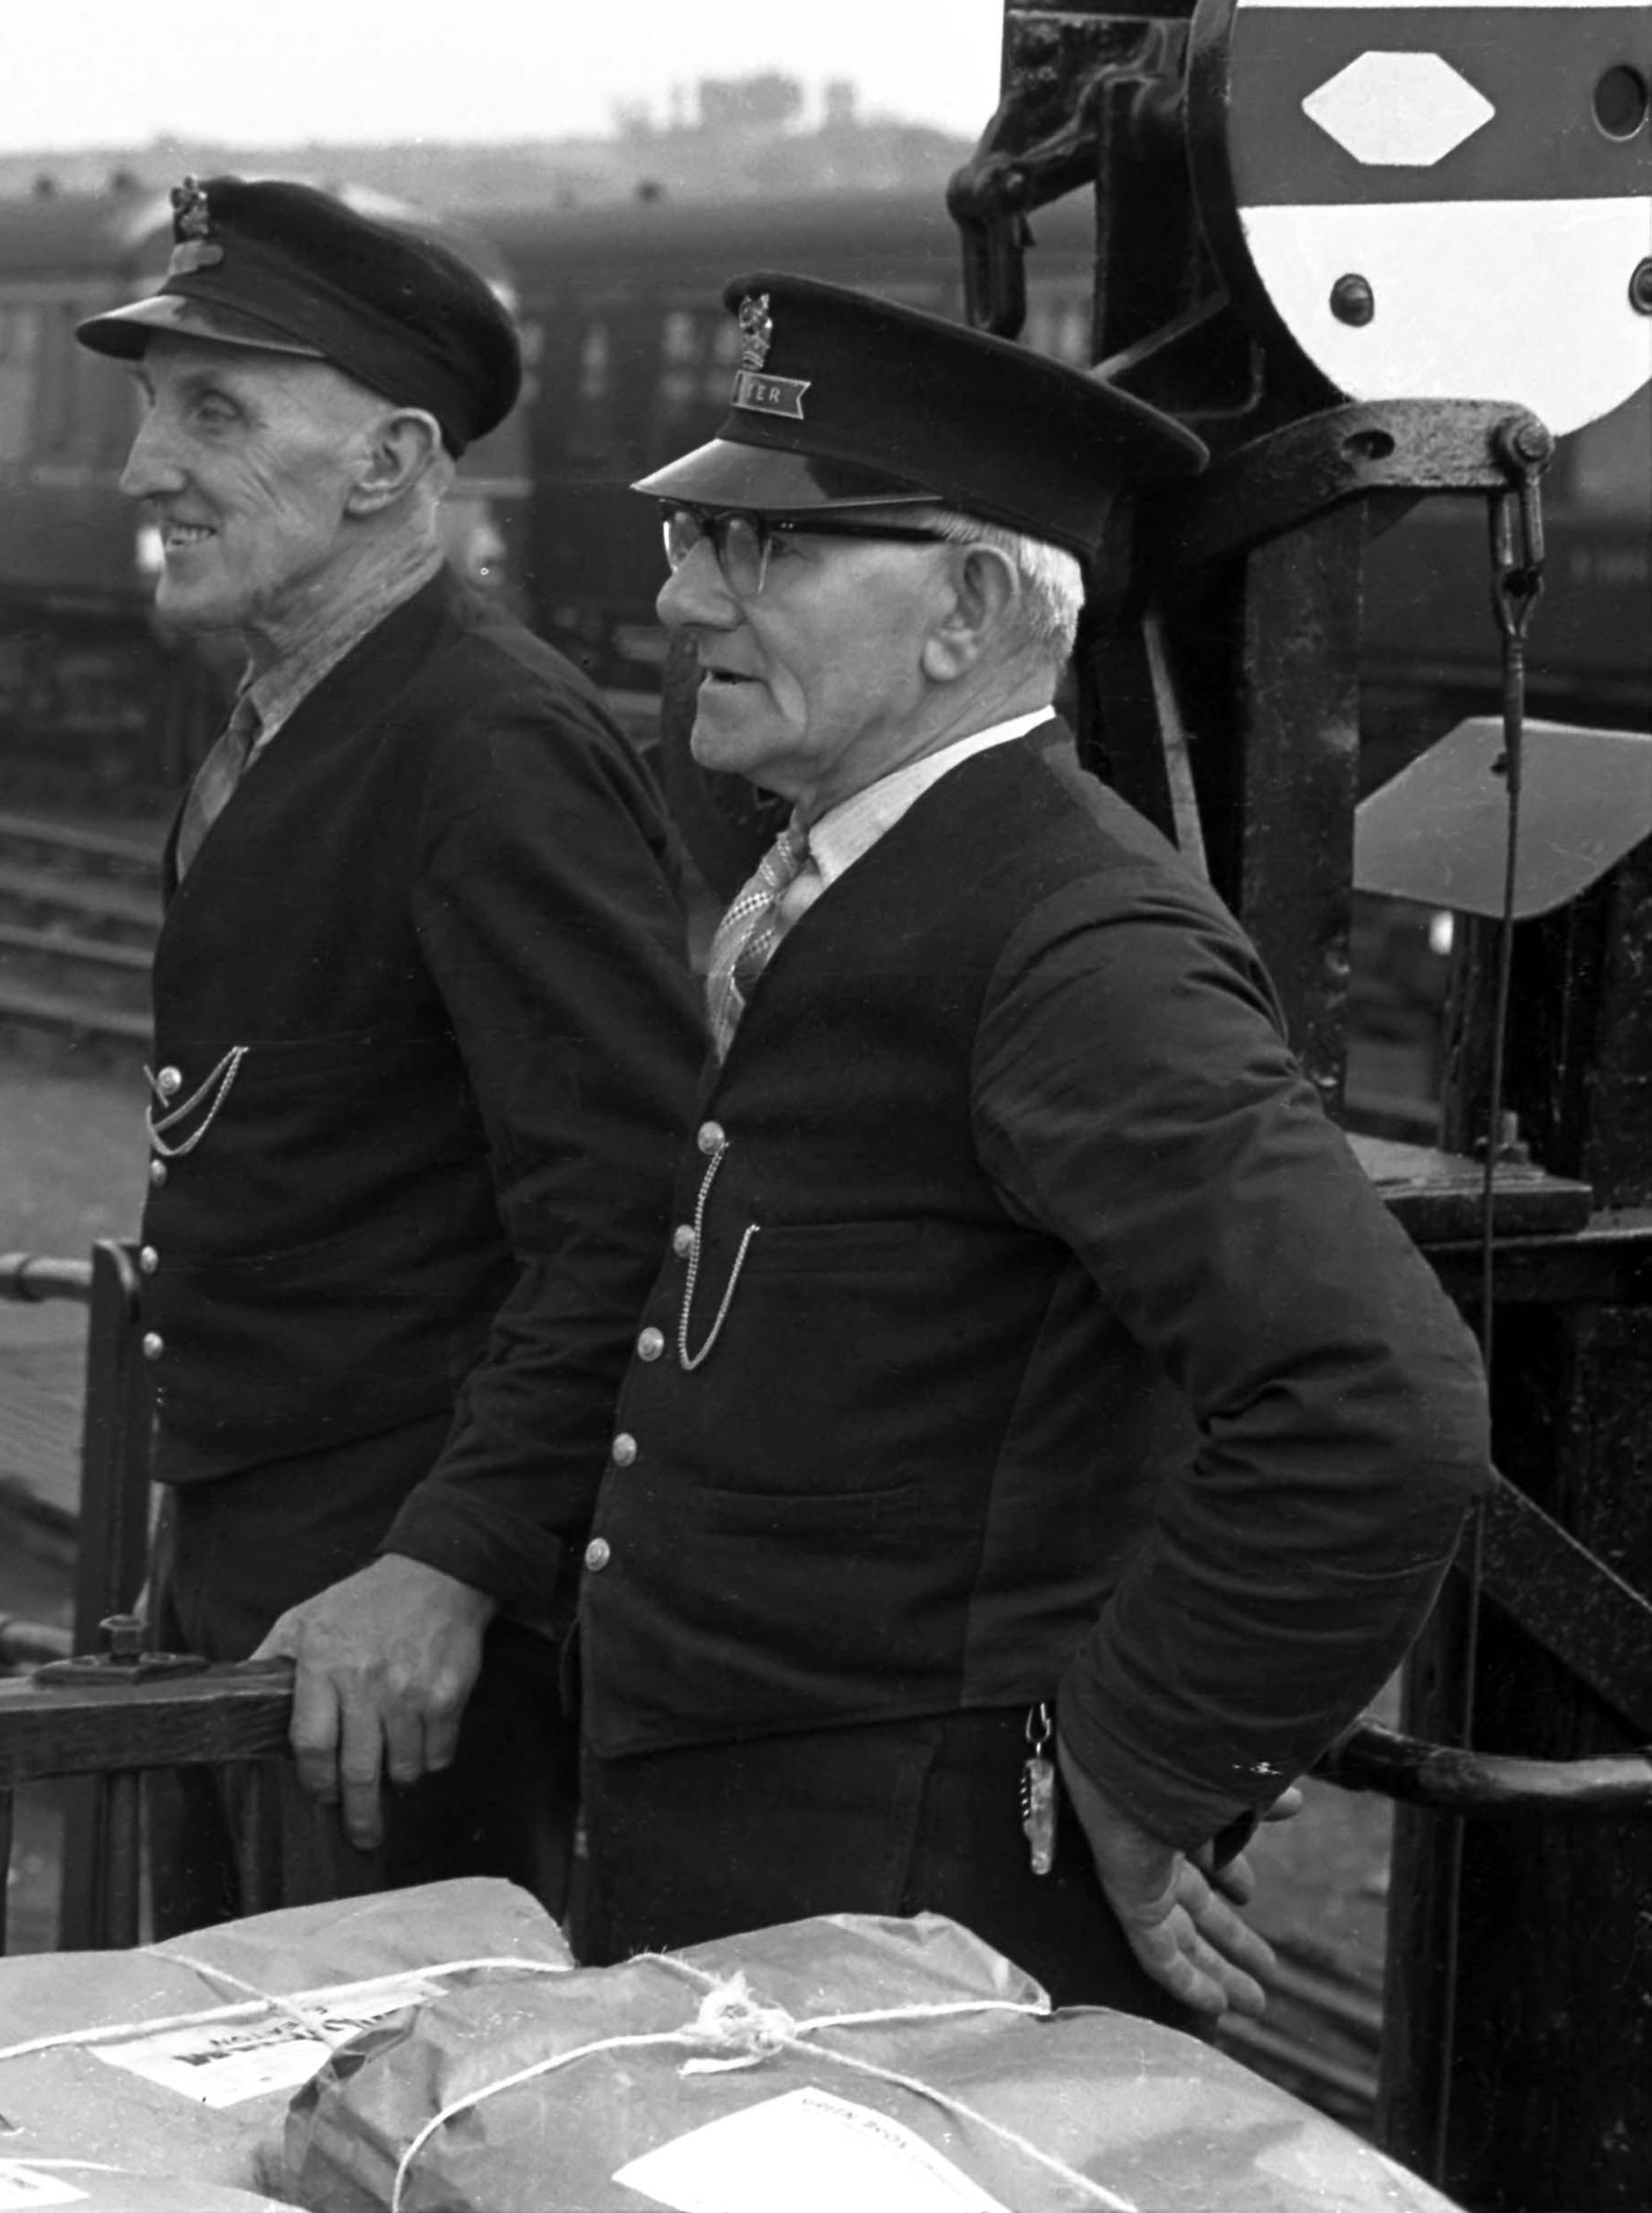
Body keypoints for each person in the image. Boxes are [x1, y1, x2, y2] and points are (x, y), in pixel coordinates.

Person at [582, 272, 1488, 2020]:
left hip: (906, 1902)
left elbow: (1373, 1401)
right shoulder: (874, 853)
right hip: (775, 1871)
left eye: (760, 550)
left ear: (971, 607)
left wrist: (1148, 1768)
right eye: (695, 532)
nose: (681, 593)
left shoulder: (1069, 938)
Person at [75, 178, 702, 1923]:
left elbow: (632, 1205)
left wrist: (454, 1563)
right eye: (147, 412)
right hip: (270, 1577)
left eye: (212, 412)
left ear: (385, 463)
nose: (144, 471)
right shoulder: (300, 718)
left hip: (399, 1643)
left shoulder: (483, 747)